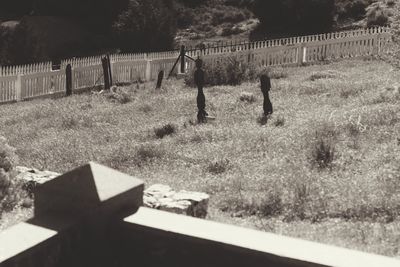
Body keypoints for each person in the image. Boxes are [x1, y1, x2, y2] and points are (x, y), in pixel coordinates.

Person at [194, 58, 208, 123]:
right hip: (200, 87)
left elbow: (196, 80)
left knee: (200, 95)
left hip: (200, 87)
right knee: (200, 95)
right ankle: (201, 109)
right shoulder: (200, 72)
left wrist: (199, 83)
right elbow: (202, 80)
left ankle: (201, 110)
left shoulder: (197, 72)